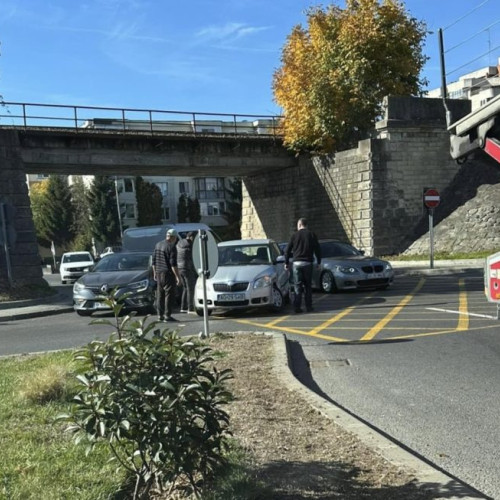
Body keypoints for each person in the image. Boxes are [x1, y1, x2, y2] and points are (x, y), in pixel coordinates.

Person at [284, 217, 321, 313]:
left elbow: (287, 250)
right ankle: (309, 307)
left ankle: (297, 307)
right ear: (306, 225)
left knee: (297, 286)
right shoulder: (312, 235)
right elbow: (317, 249)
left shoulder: (294, 235)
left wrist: (286, 262)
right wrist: (319, 262)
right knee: (308, 286)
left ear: (299, 225)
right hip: (308, 263)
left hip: (297, 263)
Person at [152, 228, 181, 322]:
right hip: (167, 273)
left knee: (160, 295)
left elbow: (153, 261)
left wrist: (155, 273)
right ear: (173, 237)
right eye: (176, 238)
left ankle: (159, 315)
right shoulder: (171, 247)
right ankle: (167, 315)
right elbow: (173, 264)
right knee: (169, 294)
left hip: (159, 272)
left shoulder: (158, 244)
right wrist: (177, 277)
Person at [176, 231, 197, 313]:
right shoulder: (190, 245)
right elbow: (192, 257)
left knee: (184, 288)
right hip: (187, 268)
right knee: (190, 288)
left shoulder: (179, 243)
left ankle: (183, 307)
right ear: (191, 237)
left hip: (179, 267)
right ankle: (190, 307)